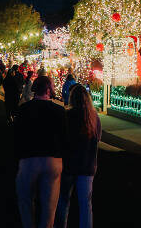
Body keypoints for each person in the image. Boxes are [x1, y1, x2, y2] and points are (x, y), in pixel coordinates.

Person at [14, 76, 67, 228]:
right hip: (53, 160)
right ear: (48, 90)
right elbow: (64, 137)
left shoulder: (24, 109)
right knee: (50, 208)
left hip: (29, 159)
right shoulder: (59, 110)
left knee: (25, 200)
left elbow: (17, 136)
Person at [54, 84, 101, 228]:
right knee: (86, 205)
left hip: (68, 165)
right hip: (87, 166)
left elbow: (60, 139)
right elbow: (97, 139)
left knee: (63, 201)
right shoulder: (94, 118)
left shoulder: (67, 115)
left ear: (72, 98)